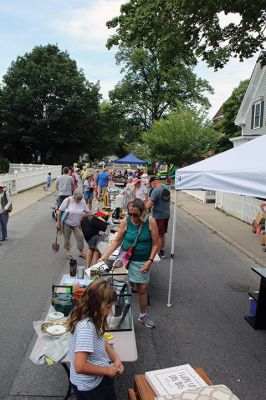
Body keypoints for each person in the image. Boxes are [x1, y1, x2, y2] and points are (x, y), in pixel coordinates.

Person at [99, 199, 159, 328]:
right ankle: (112, 314)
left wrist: (150, 261)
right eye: (130, 214)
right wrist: (104, 257)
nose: (132, 217)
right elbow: (117, 241)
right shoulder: (126, 220)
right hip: (125, 258)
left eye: (135, 214)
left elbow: (156, 244)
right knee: (117, 287)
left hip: (142, 260)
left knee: (142, 289)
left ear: (143, 212)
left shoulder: (151, 221)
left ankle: (143, 315)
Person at [68, 279, 124, 400]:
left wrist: (116, 358)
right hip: (92, 385)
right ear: (95, 304)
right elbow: (80, 366)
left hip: (91, 381)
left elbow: (101, 339)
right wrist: (107, 371)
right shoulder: (86, 328)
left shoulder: (92, 316)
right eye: (108, 307)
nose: (110, 312)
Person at [56, 190, 90, 260]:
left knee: (80, 237)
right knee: (67, 238)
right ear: (73, 197)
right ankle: (68, 253)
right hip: (66, 222)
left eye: (80, 199)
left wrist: (82, 216)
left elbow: (88, 212)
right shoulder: (67, 200)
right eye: (78, 199)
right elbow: (59, 211)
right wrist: (58, 222)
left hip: (76, 223)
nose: (79, 200)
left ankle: (81, 252)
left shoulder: (82, 201)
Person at [146, 176, 170, 259]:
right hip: (166, 214)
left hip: (159, 215)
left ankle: (158, 252)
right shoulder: (166, 188)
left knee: (158, 234)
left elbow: (149, 204)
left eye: (151, 185)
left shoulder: (156, 190)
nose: (151, 186)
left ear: (153, 183)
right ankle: (162, 251)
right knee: (162, 234)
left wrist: (142, 208)